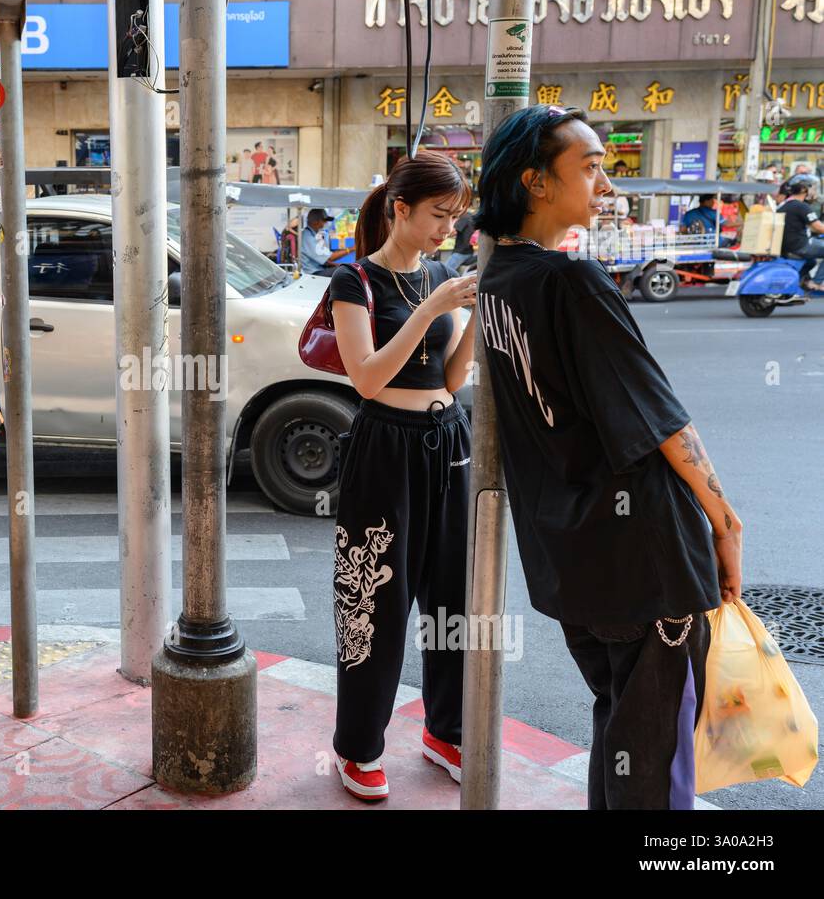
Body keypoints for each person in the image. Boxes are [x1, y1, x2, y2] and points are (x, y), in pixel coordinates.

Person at [473, 104, 741, 809]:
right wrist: (724, 521)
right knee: (656, 756)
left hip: (572, 564)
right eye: (589, 168)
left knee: (623, 733)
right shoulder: (572, 282)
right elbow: (661, 422)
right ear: (535, 182)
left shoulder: (497, 281)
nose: (606, 185)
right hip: (644, 560)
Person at [326, 149, 478, 801]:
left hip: (448, 441)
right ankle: (356, 747)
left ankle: (446, 731)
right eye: (439, 215)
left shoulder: (443, 274)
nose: (448, 228)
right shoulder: (353, 281)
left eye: (456, 216)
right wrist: (431, 307)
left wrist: (476, 318)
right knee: (376, 606)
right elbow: (366, 377)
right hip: (384, 448)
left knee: (454, 601)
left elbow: (450, 377)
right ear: (400, 208)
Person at [777, 176, 824, 290]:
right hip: (800, 245)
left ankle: (799, 282)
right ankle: (816, 282)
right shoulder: (801, 206)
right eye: (811, 188)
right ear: (804, 190)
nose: (813, 192)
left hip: (787, 245)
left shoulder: (784, 205)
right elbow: (818, 227)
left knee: (811, 262)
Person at [300, 208, 352, 276]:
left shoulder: (316, 234)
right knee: (346, 272)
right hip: (313, 273)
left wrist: (342, 265)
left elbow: (326, 261)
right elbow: (329, 258)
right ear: (315, 222)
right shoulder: (307, 237)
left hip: (320, 269)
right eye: (324, 221)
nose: (326, 223)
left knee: (346, 269)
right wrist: (351, 249)